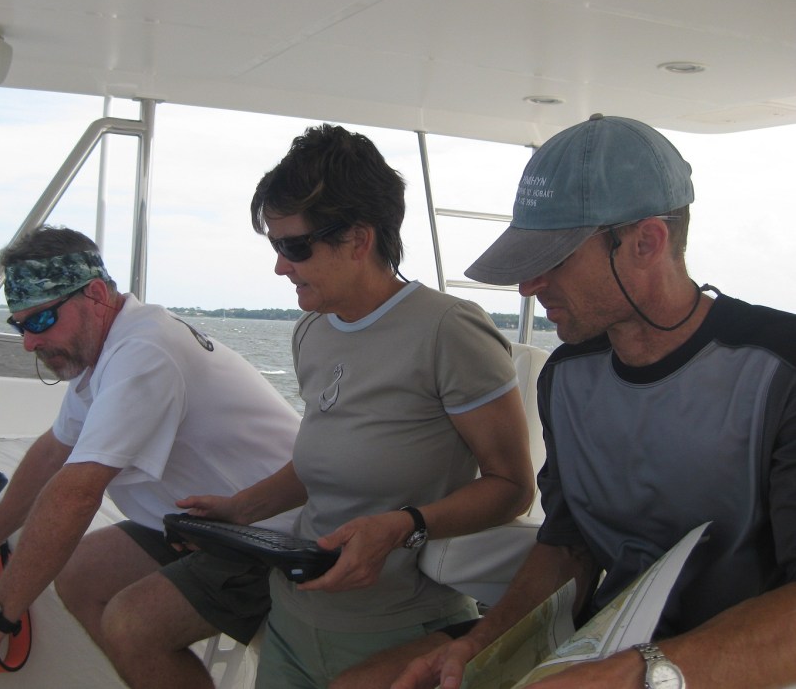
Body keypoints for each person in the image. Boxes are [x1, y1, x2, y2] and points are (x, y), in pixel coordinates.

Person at [335, 113, 796, 689]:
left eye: (552, 259)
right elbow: (568, 544)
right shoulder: (569, 377)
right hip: (602, 643)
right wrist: (482, 644)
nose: (527, 285)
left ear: (646, 242)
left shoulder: (780, 370)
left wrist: (637, 675)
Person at [178, 124, 535, 688]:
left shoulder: (450, 330)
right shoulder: (311, 333)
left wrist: (403, 526)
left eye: (295, 246)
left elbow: (513, 487)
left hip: (399, 628)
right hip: (293, 619)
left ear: (358, 240)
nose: (280, 266)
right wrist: (240, 510)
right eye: (275, 245)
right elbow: (325, 457)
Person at [0, 225, 301, 688]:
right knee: (80, 575)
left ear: (95, 294)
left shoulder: (144, 350)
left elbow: (77, 494)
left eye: (40, 320)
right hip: (209, 524)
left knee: (132, 623)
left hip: (277, 534)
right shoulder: (107, 349)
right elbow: (51, 454)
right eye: (19, 325)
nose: (28, 343)